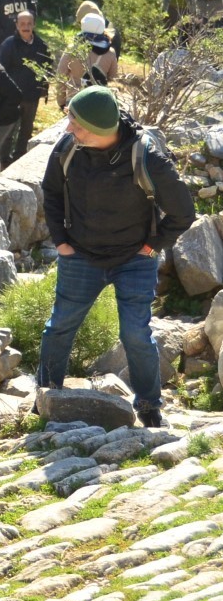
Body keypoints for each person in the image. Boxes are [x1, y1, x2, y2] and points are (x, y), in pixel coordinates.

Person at [39, 87, 196, 428]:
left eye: (76, 124)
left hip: (134, 259)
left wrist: (153, 245)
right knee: (60, 327)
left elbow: (184, 212)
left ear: (99, 130)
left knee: (135, 334)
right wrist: (61, 241)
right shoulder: (68, 149)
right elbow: (50, 192)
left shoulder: (147, 157)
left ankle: (150, 406)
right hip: (79, 255)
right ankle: (46, 396)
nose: (68, 129)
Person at [0, 12, 50, 166]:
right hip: (12, 98)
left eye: (29, 23)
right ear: (16, 25)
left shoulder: (41, 45)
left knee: (26, 132)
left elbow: (47, 70)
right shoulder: (8, 45)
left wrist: (43, 89)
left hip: (32, 97)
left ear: (34, 25)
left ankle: (19, 161)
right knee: (8, 132)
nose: (26, 27)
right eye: (22, 24)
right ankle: (4, 163)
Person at [56, 12, 120, 109]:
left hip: (74, 102)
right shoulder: (111, 53)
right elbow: (113, 80)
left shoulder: (73, 49)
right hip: (99, 104)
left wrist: (61, 102)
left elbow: (61, 76)